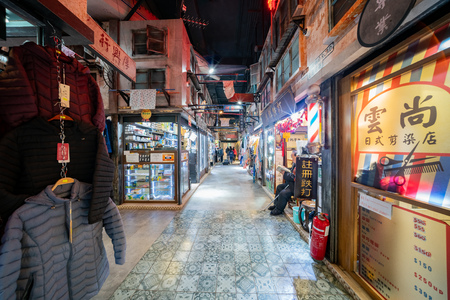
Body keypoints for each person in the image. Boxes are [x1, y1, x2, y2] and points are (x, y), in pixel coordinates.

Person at [269, 150, 297, 216]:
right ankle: (276, 205)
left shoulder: (300, 164)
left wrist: (285, 173)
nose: (292, 159)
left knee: (283, 193)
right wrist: (285, 169)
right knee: (279, 187)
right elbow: (291, 171)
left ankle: (279, 210)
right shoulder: (295, 163)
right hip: (290, 185)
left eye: (293, 157)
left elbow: (294, 177)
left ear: (297, 156)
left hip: (295, 187)